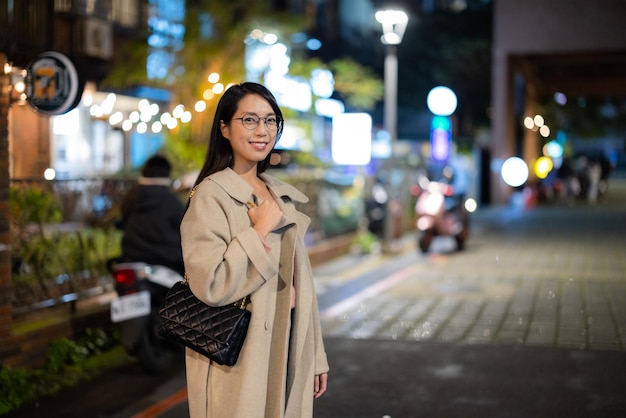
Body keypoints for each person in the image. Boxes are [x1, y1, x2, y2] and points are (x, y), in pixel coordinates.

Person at [180, 82, 329, 418]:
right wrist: (258, 230)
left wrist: (315, 353)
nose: (263, 130)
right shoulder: (211, 195)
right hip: (238, 358)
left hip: (286, 346)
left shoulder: (279, 194)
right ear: (225, 128)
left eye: (271, 120)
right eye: (249, 120)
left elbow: (302, 284)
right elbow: (211, 284)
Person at [119, 154, 185, 275]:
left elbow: (123, 221)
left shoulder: (130, 196)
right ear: (167, 173)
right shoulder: (171, 201)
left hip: (131, 256)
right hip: (167, 260)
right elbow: (185, 229)